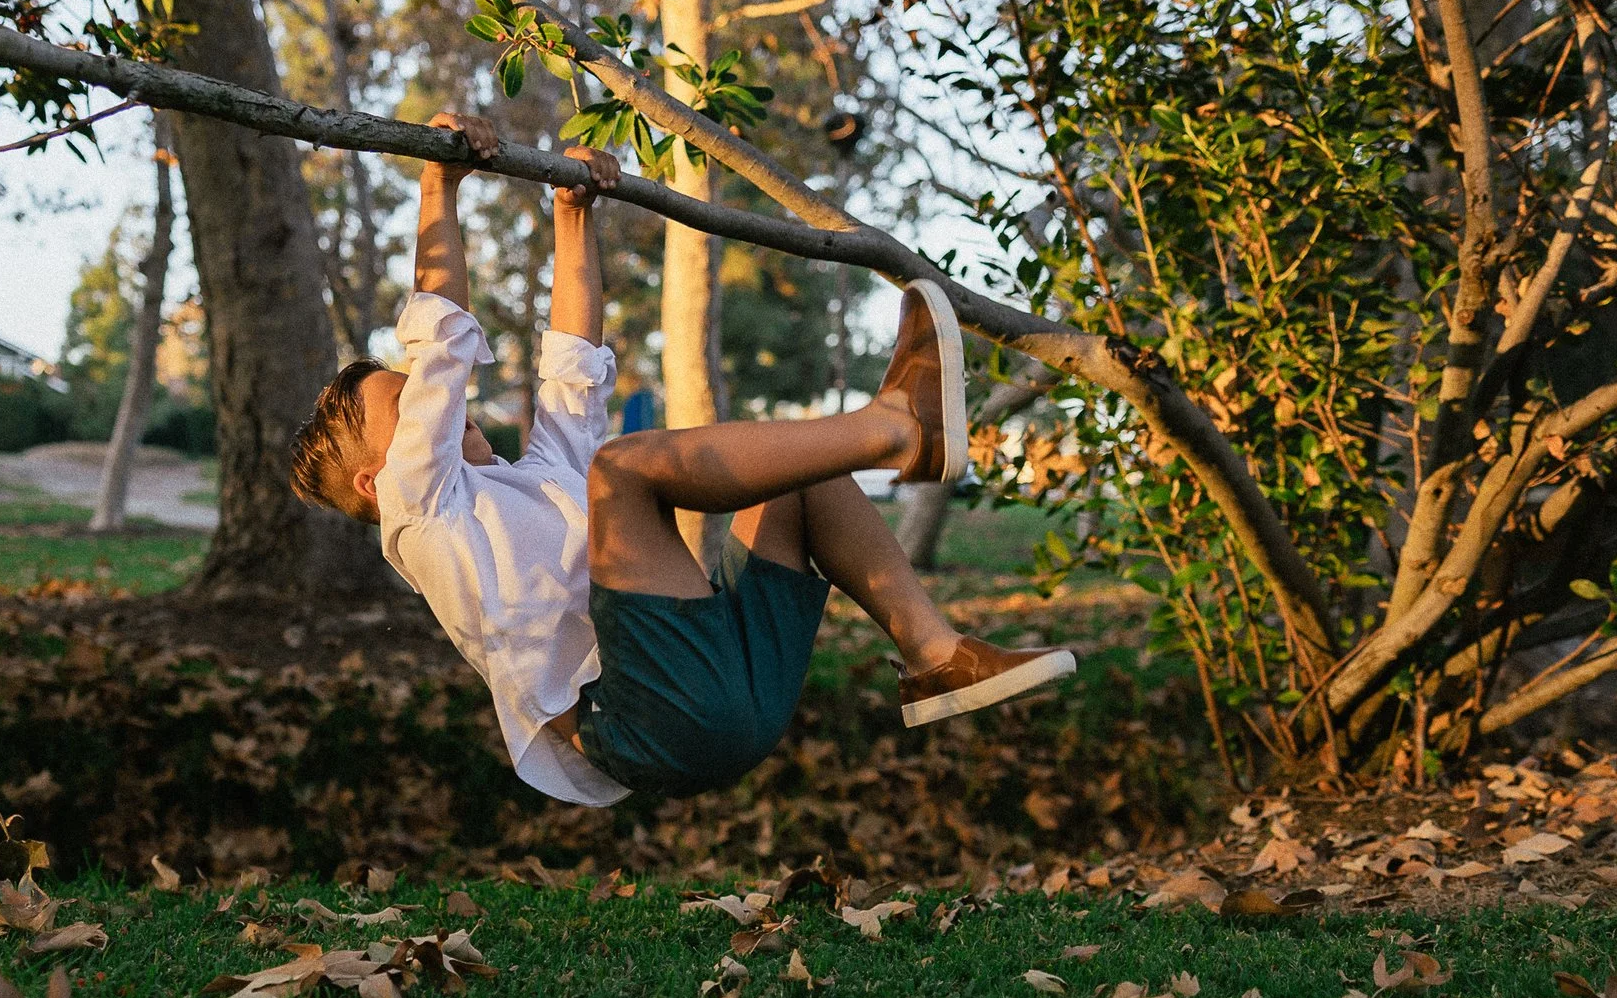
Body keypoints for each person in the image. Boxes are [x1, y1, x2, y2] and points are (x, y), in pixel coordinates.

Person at [287, 110, 1077, 806]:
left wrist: (572, 212)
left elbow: (571, 369)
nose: (438, 398)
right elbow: (442, 334)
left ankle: (936, 656)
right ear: (376, 480)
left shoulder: (536, 484)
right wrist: (439, 185)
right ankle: (897, 429)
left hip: (727, 692)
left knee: (804, 480)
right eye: (410, 400)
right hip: (648, 717)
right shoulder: (419, 516)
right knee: (621, 471)